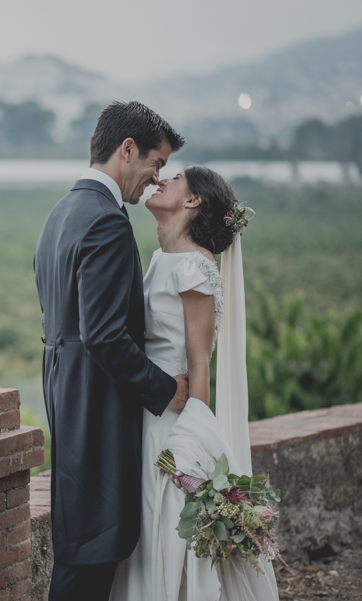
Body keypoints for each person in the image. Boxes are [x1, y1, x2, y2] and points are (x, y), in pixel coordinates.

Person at [34, 100, 190, 600]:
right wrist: (165, 390)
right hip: (97, 405)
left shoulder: (60, 213)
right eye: (156, 164)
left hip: (66, 395)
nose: (155, 178)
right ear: (127, 150)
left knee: (80, 543)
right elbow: (103, 334)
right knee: (93, 553)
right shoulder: (106, 220)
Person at [107, 166, 280, 600]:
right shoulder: (161, 257)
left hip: (173, 429)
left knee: (168, 540)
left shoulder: (195, 268)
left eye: (177, 177)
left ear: (192, 201)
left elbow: (200, 365)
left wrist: (188, 451)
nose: (161, 178)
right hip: (147, 413)